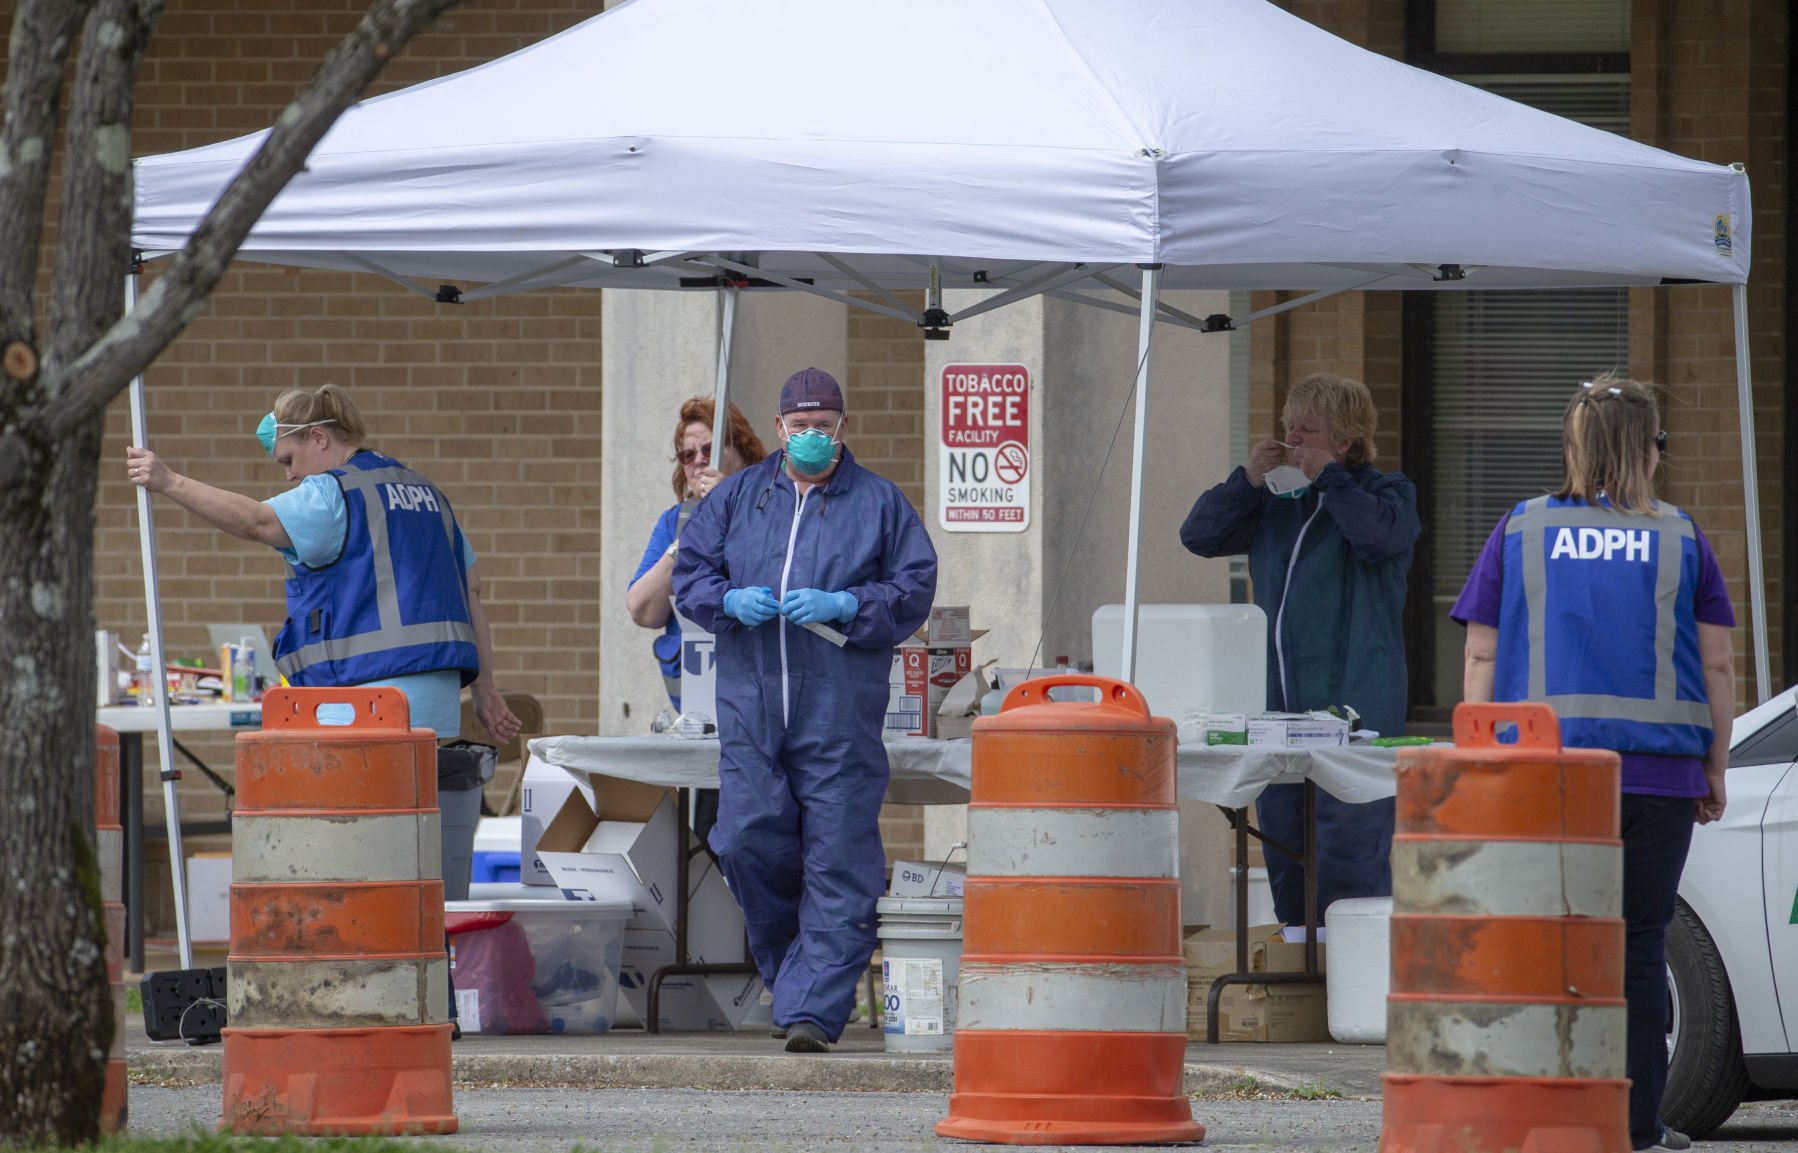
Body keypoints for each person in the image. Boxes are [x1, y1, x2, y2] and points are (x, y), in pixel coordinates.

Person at [126, 384, 523, 1036]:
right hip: (433, 710)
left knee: (360, 867)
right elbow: (473, 587)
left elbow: (257, 521)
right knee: (416, 869)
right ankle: (434, 1011)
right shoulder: (425, 493)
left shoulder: (335, 491)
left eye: (287, 459)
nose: (287, 476)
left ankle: (370, 1012)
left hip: (368, 704)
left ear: (320, 437)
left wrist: (168, 480)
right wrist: (487, 688)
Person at [1451, 373, 1733, 1153]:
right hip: (1655, 779)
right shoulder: (1681, 535)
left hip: (1541, 779)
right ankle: (1635, 1128)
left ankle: (1536, 1116)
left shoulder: (1519, 528)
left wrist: (1480, 762)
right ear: (1648, 447)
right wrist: (1716, 765)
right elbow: (1716, 667)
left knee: (1540, 944)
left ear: (1573, 444)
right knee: (1639, 947)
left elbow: (1481, 649)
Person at [673, 367, 937, 1054]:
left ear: (842, 428)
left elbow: (914, 586)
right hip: (752, 703)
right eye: (801, 427)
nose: (813, 437)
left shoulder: (878, 503)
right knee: (745, 836)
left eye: (825, 427)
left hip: (837, 707)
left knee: (838, 857)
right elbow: (691, 575)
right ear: (781, 426)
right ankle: (799, 975)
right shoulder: (737, 498)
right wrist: (726, 601)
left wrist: (851, 605)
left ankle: (813, 1010)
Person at [1179, 372, 1420, 926]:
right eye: (1289, 429)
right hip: (1280, 717)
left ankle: (1352, 993)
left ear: (1347, 439)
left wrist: (1331, 480)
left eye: (1309, 431)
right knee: (1287, 854)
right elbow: (1199, 536)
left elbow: (1378, 538)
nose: (1294, 441)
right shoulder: (1276, 503)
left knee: (1350, 861)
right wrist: (1247, 480)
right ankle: (1295, 982)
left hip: (1357, 713)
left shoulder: (1388, 493)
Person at [627, 397, 766, 848]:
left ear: (740, 451)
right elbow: (643, 609)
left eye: (709, 450)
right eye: (689, 455)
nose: (698, 462)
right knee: (703, 847)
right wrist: (686, 541)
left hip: (758, 712)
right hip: (697, 718)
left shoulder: (769, 510)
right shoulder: (674, 523)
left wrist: (731, 507)